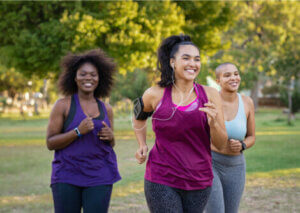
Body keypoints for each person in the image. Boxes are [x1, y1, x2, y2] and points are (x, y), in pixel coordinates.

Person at [132, 34, 228, 213]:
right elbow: (138, 117)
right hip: (161, 177)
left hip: (199, 179)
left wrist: (214, 123)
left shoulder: (211, 95)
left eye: (197, 59)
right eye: (186, 58)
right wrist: (141, 144)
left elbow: (221, 144)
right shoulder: (155, 94)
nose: (193, 63)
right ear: (172, 62)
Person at [46, 49, 121, 213]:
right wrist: (78, 131)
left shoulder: (106, 108)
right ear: (74, 77)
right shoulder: (63, 105)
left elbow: (111, 143)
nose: (88, 78)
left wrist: (111, 137)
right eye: (83, 74)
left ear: (99, 78)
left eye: (93, 74)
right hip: (67, 175)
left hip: (100, 175)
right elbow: (50, 143)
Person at [205, 63, 256, 213]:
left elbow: (252, 136)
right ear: (218, 81)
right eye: (227, 75)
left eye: (236, 73)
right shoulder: (209, 102)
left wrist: (242, 145)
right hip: (211, 164)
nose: (233, 78)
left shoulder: (247, 102)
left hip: (236, 166)